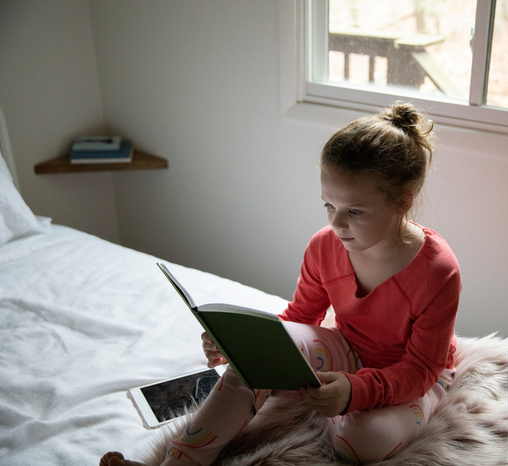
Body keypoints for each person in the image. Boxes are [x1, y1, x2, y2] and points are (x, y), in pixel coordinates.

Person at [101, 102, 461, 465]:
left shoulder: (437, 270)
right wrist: (241, 343)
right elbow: (301, 317)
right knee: (252, 362)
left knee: (360, 442)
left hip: (416, 377)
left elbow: (421, 369)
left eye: (354, 211)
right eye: (328, 205)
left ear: (403, 201)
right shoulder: (325, 244)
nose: (337, 224)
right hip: (349, 348)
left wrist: (356, 391)